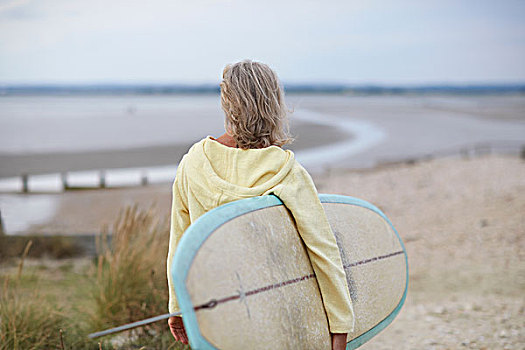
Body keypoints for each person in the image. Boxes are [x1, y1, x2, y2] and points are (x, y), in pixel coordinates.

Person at [166, 59, 354, 350]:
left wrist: (177, 307)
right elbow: (323, 252)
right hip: (276, 317)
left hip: (215, 315)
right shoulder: (287, 172)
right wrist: (339, 328)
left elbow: (180, 242)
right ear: (274, 104)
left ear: (226, 101)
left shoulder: (193, 163)